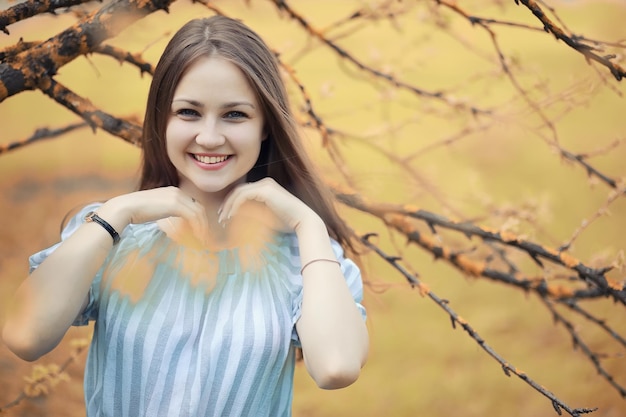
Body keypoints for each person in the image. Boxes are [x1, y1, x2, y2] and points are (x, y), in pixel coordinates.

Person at [1, 16, 368, 417]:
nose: (209, 137)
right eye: (189, 112)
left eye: (235, 115)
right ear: (162, 118)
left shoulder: (304, 259)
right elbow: (25, 336)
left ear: (265, 126)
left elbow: (337, 367)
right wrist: (118, 212)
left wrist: (308, 224)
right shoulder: (111, 235)